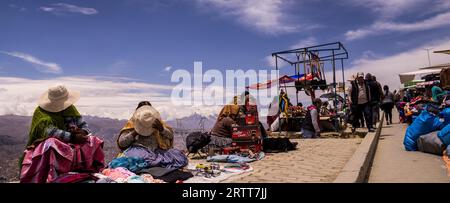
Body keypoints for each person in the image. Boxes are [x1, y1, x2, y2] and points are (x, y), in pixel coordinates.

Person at [20, 85, 105, 183]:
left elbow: (84, 125)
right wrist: (72, 137)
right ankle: (52, 177)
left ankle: (88, 170)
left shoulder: (70, 108)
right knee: (51, 144)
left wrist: (83, 131)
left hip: (72, 142)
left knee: (93, 140)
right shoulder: (41, 112)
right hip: (52, 144)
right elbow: (49, 131)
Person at [117, 101, 188, 169]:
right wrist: (135, 132)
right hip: (138, 151)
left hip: (157, 151)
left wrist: (161, 129)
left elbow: (170, 136)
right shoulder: (132, 124)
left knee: (179, 158)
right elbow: (122, 143)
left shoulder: (157, 123)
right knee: (139, 161)